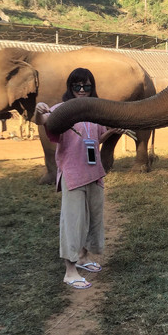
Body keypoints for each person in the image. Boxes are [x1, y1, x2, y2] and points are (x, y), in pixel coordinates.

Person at [33, 68, 126, 290]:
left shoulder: (95, 111)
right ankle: (70, 270)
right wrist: (38, 111)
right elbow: (43, 120)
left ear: (92, 87)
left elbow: (96, 139)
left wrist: (112, 131)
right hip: (73, 174)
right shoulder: (61, 110)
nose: (82, 90)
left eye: (86, 86)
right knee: (73, 222)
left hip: (94, 174)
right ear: (70, 88)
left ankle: (83, 258)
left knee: (92, 219)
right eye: (77, 86)